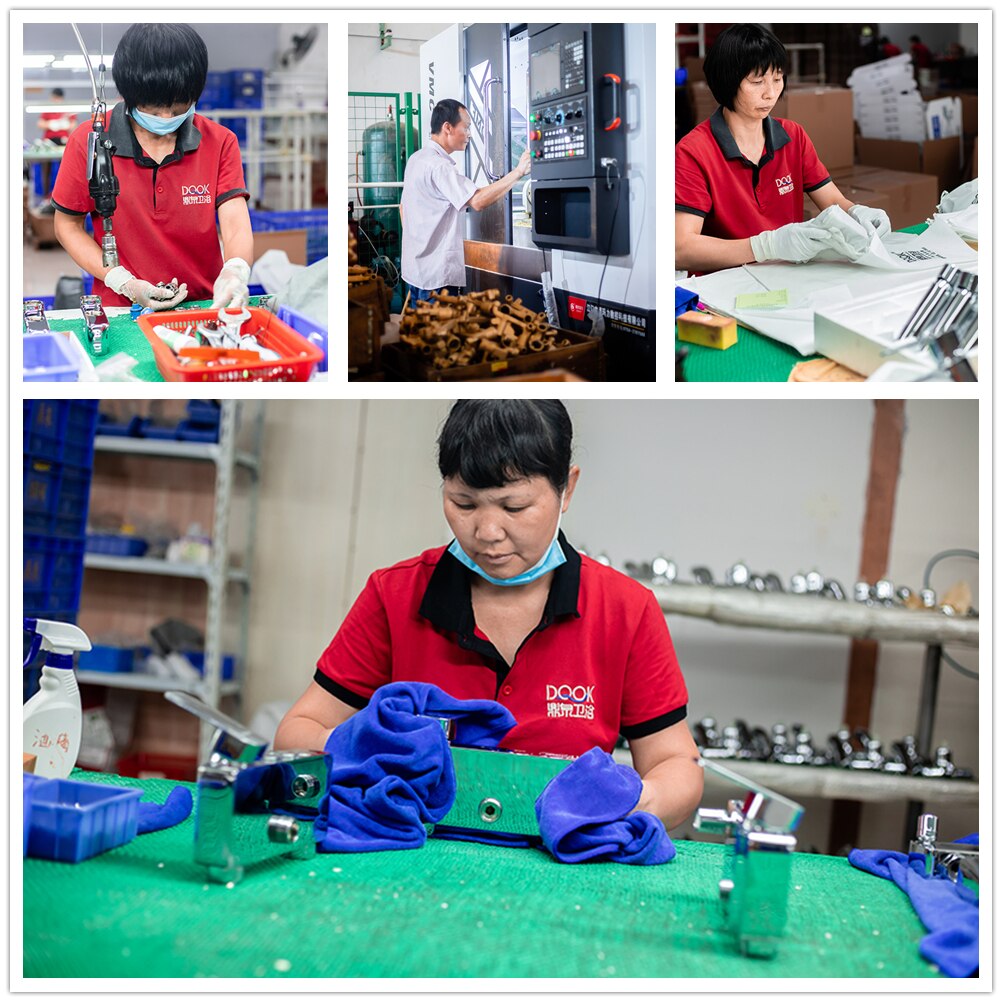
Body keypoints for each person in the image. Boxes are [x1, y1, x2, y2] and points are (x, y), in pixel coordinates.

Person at [276, 400, 704, 831]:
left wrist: (625, 806)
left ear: (567, 489)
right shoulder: (396, 595)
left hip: (561, 865)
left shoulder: (625, 611)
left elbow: (676, 764)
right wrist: (363, 746)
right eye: (463, 504)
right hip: (416, 851)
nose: (487, 532)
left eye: (513, 507)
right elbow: (296, 733)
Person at [51, 23, 253, 311]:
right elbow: (66, 225)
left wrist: (235, 271)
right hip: (121, 309)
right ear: (127, 95)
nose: (167, 118)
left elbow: (234, 224)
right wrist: (123, 282)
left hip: (203, 305)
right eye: (154, 109)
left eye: (179, 106)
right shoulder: (90, 141)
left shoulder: (220, 142)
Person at [675, 24, 891, 274]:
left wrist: (857, 212)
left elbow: (831, 200)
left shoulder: (793, 136)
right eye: (757, 82)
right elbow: (681, 249)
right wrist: (766, 246)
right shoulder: (694, 151)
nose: (770, 94)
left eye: (777, 79)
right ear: (726, 81)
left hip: (790, 276)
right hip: (727, 283)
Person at [399, 98, 531, 304]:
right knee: (440, 335)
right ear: (448, 128)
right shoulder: (439, 166)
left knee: (420, 333)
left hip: (415, 271)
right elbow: (477, 201)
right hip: (436, 279)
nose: (469, 134)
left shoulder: (416, 159)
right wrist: (519, 172)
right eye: (466, 127)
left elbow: (402, 208)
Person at [37, 87, 77, 204]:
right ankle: (45, 196)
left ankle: (62, 196)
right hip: (49, 142)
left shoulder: (67, 110)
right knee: (46, 169)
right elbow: (40, 123)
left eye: (57, 98)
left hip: (63, 142)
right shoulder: (48, 109)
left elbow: (73, 126)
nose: (55, 100)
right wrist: (51, 124)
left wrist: (65, 125)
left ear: (61, 98)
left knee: (64, 169)